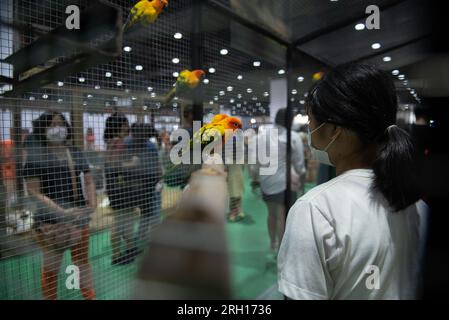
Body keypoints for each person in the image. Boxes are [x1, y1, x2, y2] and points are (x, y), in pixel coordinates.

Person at [278, 63, 424, 300]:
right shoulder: (417, 204)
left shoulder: (316, 210)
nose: (310, 131)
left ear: (335, 130)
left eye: (311, 121)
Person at [23, 111, 96, 300]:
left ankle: (89, 296)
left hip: (79, 218)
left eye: (61, 124)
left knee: (81, 261)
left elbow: (88, 180)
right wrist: (62, 211)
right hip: (50, 222)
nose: (57, 128)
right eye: (52, 124)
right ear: (43, 129)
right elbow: (34, 191)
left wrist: (92, 204)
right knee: (51, 268)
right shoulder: (35, 156)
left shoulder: (75, 152)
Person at [251, 109, 305, 252]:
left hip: (266, 181)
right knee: (282, 216)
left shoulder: (263, 136)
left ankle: (272, 243)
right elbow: (299, 163)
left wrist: (255, 179)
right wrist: (302, 180)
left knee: (271, 214)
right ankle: (282, 249)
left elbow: (256, 161)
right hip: (284, 182)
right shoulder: (292, 136)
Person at [104, 113, 139, 265]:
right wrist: (134, 163)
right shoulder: (117, 142)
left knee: (126, 220)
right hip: (120, 188)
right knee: (119, 223)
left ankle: (130, 248)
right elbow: (115, 165)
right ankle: (117, 254)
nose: (127, 127)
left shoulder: (113, 142)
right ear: (117, 127)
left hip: (119, 187)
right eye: (124, 124)